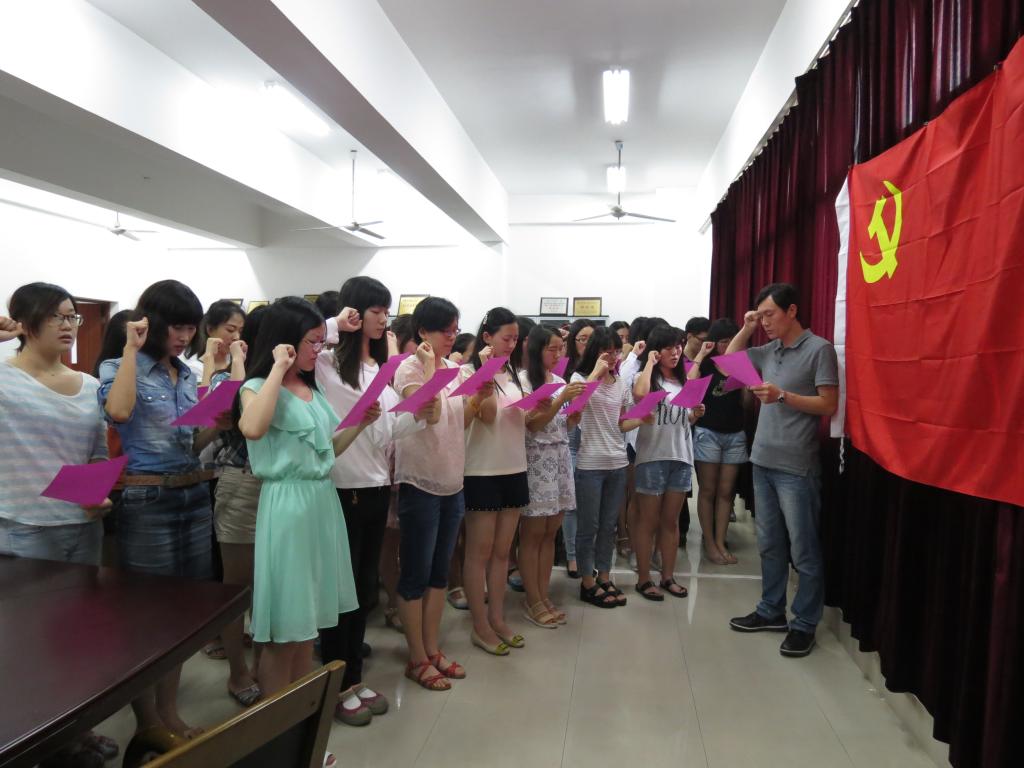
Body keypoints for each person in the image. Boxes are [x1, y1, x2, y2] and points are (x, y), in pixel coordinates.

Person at [99, 279, 226, 742]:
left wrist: (218, 424)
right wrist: (132, 351)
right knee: (146, 617)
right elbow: (118, 413)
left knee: (180, 616)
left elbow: (191, 444)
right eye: (177, 327)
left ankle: (169, 714)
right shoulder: (119, 366)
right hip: (147, 500)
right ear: (151, 323)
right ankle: (148, 724)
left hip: (192, 496)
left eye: (191, 329)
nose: (185, 337)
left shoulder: (187, 375)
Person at [0, 284, 121, 766]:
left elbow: (96, 452)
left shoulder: (88, 385)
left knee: (77, 639)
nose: (69, 325)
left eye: (73, 316)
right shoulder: (3, 380)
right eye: (57, 317)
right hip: (25, 527)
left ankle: (76, 731)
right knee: (31, 644)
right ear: (26, 323)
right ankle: (33, 742)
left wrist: (99, 491)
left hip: (82, 524)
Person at [238, 297, 379, 698]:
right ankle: (276, 722)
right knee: (286, 627)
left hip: (320, 500)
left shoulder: (310, 389)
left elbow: (327, 452)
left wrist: (359, 424)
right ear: (284, 341)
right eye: (312, 342)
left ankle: (300, 719)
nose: (319, 350)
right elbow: (252, 428)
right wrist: (277, 368)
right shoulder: (256, 387)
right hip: (287, 505)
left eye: (321, 341)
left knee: (307, 624)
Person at [316, 277, 436, 726]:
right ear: (353, 313)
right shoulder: (326, 363)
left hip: (375, 485)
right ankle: (336, 683)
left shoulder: (378, 370)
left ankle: (353, 675)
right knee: (340, 592)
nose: (384, 319)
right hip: (340, 485)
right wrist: (335, 323)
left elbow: (387, 430)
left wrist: (419, 414)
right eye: (375, 311)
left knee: (364, 589)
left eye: (387, 312)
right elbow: (295, 341)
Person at [725, 283, 838, 658]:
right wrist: (746, 328)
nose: (766, 323)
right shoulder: (769, 350)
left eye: (770, 315)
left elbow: (828, 404)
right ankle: (771, 610)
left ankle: (804, 623)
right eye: (761, 316)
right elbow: (729, 361)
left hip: (796, 466)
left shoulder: (819, 349)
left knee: (803, 549)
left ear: (792, 311)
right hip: (762, 461)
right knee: (770, 544)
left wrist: (783, 396)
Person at [393, 297, 474, 690]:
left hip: (452, 481)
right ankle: (416, 657)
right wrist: (428, 365)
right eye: (445, 330)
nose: (451, 337)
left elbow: (461, 420)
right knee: (415, 573)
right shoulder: (407, 369)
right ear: (423, 331)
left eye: (455, 330)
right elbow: (431, 412)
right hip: (420, 482)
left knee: (439, 574)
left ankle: (432, 648)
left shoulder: (455, 371)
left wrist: (481, 394)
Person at [459, 307, 530, 655]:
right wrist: (485, 372)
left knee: (503, 552)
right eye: (506, 338)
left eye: (516, 339)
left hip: (514, 466)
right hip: (481, 470)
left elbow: (524, 420)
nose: (512, 345)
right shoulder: (466, 373)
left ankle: (498, 618)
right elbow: (486, 416)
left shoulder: (516, 375)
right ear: (486, 337)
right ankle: (480, 625)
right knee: (479, 552)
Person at [571, 327, 651, 608]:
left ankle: (604, 576)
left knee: (609, 526)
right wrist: (595, 374)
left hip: (617, 462)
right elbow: (575, 411)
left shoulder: (619, 383)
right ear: (595, 351)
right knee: (588, 526)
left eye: (617, 352)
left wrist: (642, 418)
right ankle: (587, 581)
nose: (614, 357)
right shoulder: (579, 378)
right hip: (590, 463)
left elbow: (622, 423)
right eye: (608, 352)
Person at [210, 306, 264, 709]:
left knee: (269, 585)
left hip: (277, 486)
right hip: (242, 481)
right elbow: (235, 417)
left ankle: (265, 665)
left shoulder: (284, 374)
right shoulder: (226, 376)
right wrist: (239, 363)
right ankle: (237, 671)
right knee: (238, 587)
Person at [631, 325, 705, 601]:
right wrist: (649, 363)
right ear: (656, 351)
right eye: (669, 348)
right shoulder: (645, 377)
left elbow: (685, 419)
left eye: (678, 347)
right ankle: (643, 578)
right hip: (652, 457)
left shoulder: (684, 381)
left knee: (670, 522)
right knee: (647, 521)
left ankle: (668, 576)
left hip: (681, 456)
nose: (675, 352)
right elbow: (640, 395)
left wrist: (695, 414)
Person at [519, 325, 585, 627]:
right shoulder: (524, 380)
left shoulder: (559, 382)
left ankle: (543, 595)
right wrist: (560, 401)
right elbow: (532, 425)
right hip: (535, 459)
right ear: (536, 349)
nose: (558, 354)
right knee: (532, 535)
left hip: (559, 457)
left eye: (561, 348)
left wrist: (573, 417)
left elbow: (561, 425)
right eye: (552, 348)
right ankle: (532, 599)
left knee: (549, 533)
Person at [689, 318, 749, 565]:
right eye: (724, 341)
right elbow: (690, 386)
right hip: (708, 432)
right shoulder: (706, 365)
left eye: (732, 340)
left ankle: (720, 541)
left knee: (726, 492)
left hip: (735, 433)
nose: (728, 346)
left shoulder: (741, 363)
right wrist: (701, 355)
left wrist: (747, 383)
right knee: (708, 490)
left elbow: (746, 403)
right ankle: (710, 543)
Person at [561, 318, 595, 578]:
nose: (588, 344)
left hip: (595, 445)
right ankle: (572, 556)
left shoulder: (606, 371)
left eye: (591, 339)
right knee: (571, 506)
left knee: (590, 508)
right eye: (583, 339)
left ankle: (587, 554)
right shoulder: (566, 371)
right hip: (570, 443)